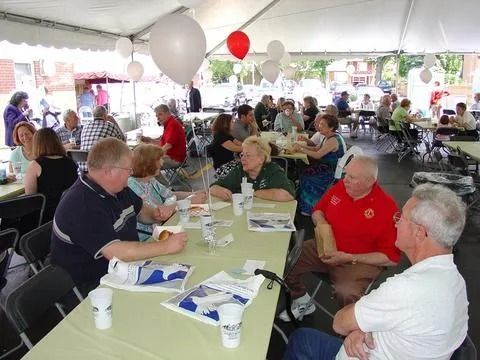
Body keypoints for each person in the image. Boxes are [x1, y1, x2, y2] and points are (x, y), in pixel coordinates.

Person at [284, 183, 468, 360]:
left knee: (302, 339)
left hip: (361, 354)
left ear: (419, 233)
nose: (395, 224)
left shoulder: (406, 288)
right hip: (386, 347)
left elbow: (339, 323)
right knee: (304, 338)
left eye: (401, 218)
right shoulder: (456, 281)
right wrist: (362, 329)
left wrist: (357, 328)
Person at [50, 138, 188, 294]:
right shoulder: (81, 205)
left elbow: (141, 211)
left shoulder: (117, 187)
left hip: (127, 267)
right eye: (128, 170)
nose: (131, 174)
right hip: (95, 285)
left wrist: (155, 214)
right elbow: (116, 253)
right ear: (109, 170)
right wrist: (165, 246)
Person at [280, 156, 400, 321]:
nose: (345, 181)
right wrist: (322, 223)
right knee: (286, 262)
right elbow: (317, 210)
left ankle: (348, 330)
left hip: (359, 261)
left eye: (352, 177)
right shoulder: (340, 188)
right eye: (346, 174)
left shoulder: (386, 208)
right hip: (326, 247)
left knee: (346, 292)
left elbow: (391, 258)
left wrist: (350, 257)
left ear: (370, 181)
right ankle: (302, 299)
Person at [128, 144, 206, 240]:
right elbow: (158, 213)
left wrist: (196, 193)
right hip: (148, 236)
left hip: (161, 227)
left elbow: (171, 194)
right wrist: (188, 201)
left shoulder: (150, 180)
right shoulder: (131, 186)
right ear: (148, 163)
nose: (162, 163)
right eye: (159, 159)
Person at [210, 136, 295, 202]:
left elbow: (287, 195)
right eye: (242, 155)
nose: (243, 158)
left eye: (248, 155)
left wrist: (253, 193)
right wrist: (220, 191)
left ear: (261, 159)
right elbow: (213, 187)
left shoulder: (272, 170)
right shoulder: (239, 171)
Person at [294, 114, 346, 215]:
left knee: (306, 176)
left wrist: (301, 149)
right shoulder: (329, 136)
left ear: (330, 127)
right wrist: (301, 146)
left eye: (322, 124)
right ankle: (309, 204)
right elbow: (317, 148)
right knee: (303, 172)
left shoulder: (333, 140)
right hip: (326, 167)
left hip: (331, 171)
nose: (318, 125)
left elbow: (317, 155)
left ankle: (312, 208)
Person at [24, 128, 78, 222]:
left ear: (37, 145)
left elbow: (30, 197)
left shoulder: (35, 165)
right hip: (70, 211)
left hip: (47, 217)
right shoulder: (70, 162)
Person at [80, 105, 125, 172]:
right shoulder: (110, 125)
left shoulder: (85, 127)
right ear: (105, 115)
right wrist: (114, 121)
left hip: (83, 169)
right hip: (100, 167)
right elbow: (123, 141)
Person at [142, 104, 187, 169]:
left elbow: (168, 145)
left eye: (160, 114)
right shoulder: (169, 124)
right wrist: (150, 140)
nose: (158, 118)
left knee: (149, 164)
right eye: (157, 116)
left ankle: (160, 179)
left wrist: (155, 154)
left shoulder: (173, 125)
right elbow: (162, 143)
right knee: (146, 160)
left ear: (168, 113)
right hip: (170, 155)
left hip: (175, 159)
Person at [208, 113, 243, 177]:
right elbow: (237, 148)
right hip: (222, 167)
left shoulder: (227, 135)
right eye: (232, 122)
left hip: (230, 162)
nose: (234, 124)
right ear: (225, 124)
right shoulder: (220, 137)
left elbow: (240, 144)